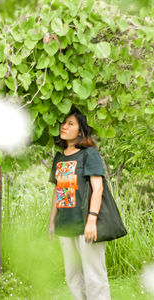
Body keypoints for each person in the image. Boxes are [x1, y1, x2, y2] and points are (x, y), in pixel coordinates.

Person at [48, 107, 111, 300]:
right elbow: (58, 190)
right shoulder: (59, 158)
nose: (64, 126)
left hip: (86, 224)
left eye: (70, 123)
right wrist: (52, 222)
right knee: (72, 276)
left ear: (80, 130)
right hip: (65, 224)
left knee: (94, 276)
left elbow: (98, 188)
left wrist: (91, 220)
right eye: (63, 122)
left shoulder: (88, 154)